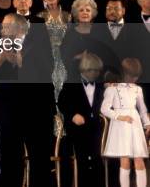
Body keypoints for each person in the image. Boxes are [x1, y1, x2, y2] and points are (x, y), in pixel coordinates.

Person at [58, 52, 105, 187]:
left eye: (98, 70)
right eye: (93, 70)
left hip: (95, 129)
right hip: (77, 129)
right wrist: (73, 115)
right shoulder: (71, 84)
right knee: (81, 156)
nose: (96, 73)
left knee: (96, 157)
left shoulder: (100, 85)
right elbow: (62, 102)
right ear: (84, 69)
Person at [101, 58, 150, 187]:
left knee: (139, 159)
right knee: (125, 160)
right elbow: (104, 109)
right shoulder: (112, 88)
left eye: (136, 76)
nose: (134, 79)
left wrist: (147, 124)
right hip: (120, 126)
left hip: (135, 125)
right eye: (131, 76)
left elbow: (143, 109)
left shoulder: (137, 89)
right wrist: (120, 116)